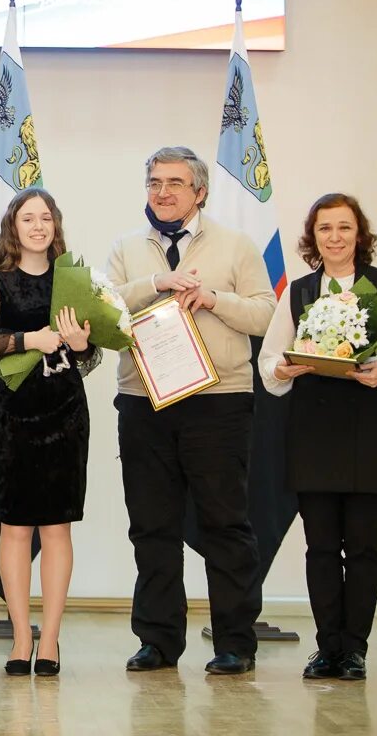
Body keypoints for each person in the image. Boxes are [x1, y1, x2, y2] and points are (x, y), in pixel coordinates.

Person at [106, 146, 276, 675]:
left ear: (199, 192)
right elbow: (105, 310)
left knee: (225, 523)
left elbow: (269, 314)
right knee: (151, 525)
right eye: (155, 182)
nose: (163, 192)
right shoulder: (128, 248)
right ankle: (157, 641)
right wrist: (155, 284)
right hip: (145, 402)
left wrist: (215, 300)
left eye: (175, 183)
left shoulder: (236, 245)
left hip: (219, 403)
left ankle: (234, 642)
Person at [259, 193, 377, 681]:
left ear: (360, 234)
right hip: (312, 430)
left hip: (366, 427)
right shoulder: (299, 292)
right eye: (325, 229)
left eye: (344, 228)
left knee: (363, 545)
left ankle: (355, 650)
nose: (335, 237)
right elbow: (269, 366)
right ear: (313, 238)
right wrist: (286, 367)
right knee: (321, 547)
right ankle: (327, 646)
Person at [0, 189, 100, 676]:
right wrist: (28, 339)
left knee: (57, 526)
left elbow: (87, 352)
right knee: (15, 527)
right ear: (13, 226)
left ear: (56, 225)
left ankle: (52, 641)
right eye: (28, 217)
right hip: (13, 416)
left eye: (46, 217)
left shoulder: (73, 280)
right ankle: (21, 638)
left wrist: (83, 345)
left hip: (64, 412)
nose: (38, 225)